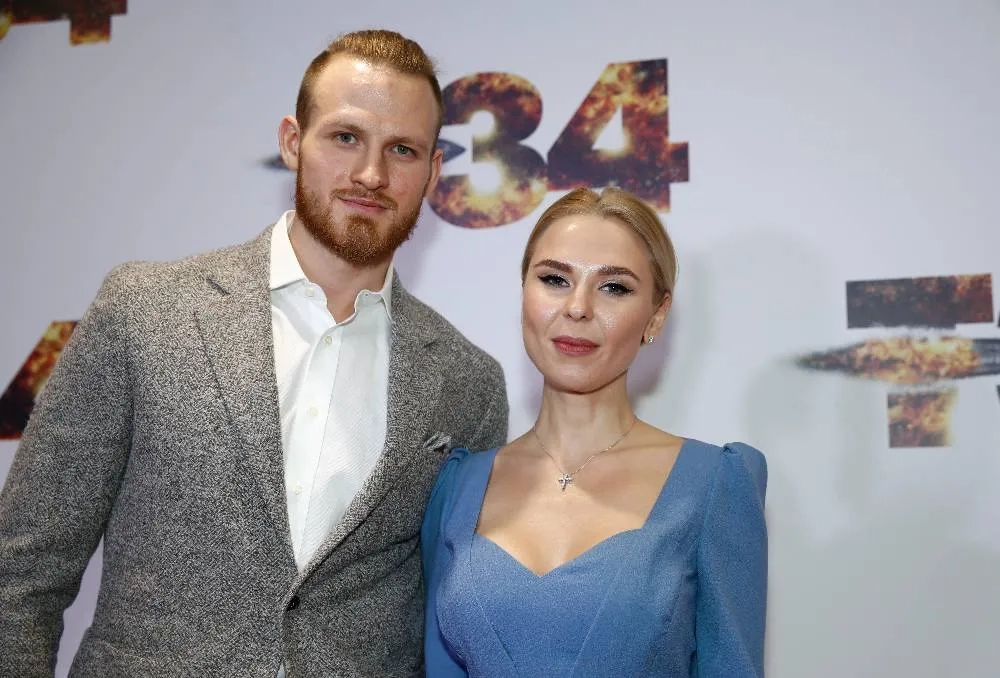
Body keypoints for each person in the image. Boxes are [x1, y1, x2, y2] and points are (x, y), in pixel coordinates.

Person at [0, 29, 508, 677]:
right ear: (293, 143)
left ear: (433, 173)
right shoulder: (145, 311)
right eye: (345, 137)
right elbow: (22, 574)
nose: (371, 175)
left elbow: (457, 618)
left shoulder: (468, 382)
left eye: (401, 150)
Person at [422, 187, 767, 677]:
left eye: (614, 288)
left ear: (656, 315)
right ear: (524, 293)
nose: (578, 307)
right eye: (554, 279)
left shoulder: (715, 485)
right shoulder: (456, 486)